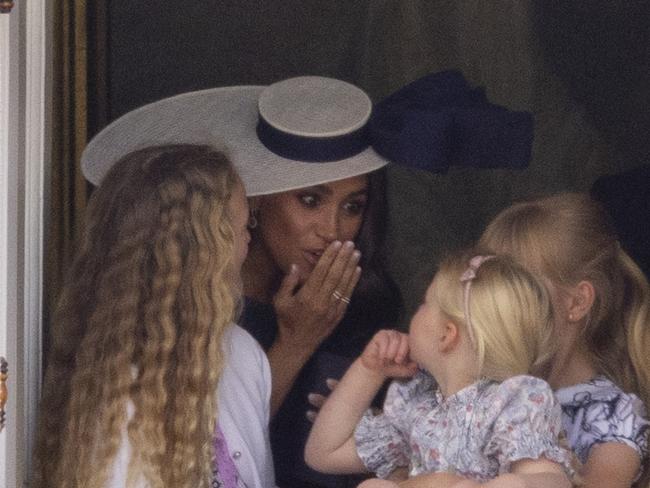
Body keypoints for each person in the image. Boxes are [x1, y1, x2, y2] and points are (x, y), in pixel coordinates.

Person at [78, 72, 536, 488]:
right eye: (311, 200)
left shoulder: (372, 311)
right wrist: (297, 341)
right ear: (255, 202)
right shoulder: (200, 306)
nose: (333, 229)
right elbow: (214, 449)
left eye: (352, 206)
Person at [32, 145, 275, 488]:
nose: (249, 239)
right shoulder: (115, 392)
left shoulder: (243, 352)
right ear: (200, 250)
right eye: (237, 226)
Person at [305, 251, 576, 487]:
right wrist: (369, 370)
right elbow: (323, 454)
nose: (415, 311)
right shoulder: (418, 407)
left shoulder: (510, 403)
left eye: (424, 303)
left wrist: (517, 483)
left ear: (447, 335)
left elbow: (552, 479)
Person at [477, 193, 650, 488]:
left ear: (577, 302)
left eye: (517, 293)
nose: (498, 309)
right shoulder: (486, 391)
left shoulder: (613, 414)